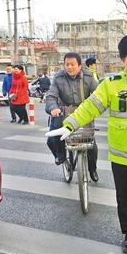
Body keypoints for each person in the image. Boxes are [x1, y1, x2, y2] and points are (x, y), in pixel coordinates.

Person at [46, 34, 127, 254]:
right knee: (124, 197)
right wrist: (70, 125)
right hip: (121, 155)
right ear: (123, 59)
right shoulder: (110, 85)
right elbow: (90, 107)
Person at [45, 52, 99, 182]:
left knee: (91, 145)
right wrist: (53, 108)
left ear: (80, 65)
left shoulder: (88, 76)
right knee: (52, 137)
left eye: (73, 64)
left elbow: (98, 94)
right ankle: (62, 158)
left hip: (83, 113)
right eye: (67, 64)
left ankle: (92, 168)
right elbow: (51, 96)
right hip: (64, 112)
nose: (70, 67)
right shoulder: (58, 78)